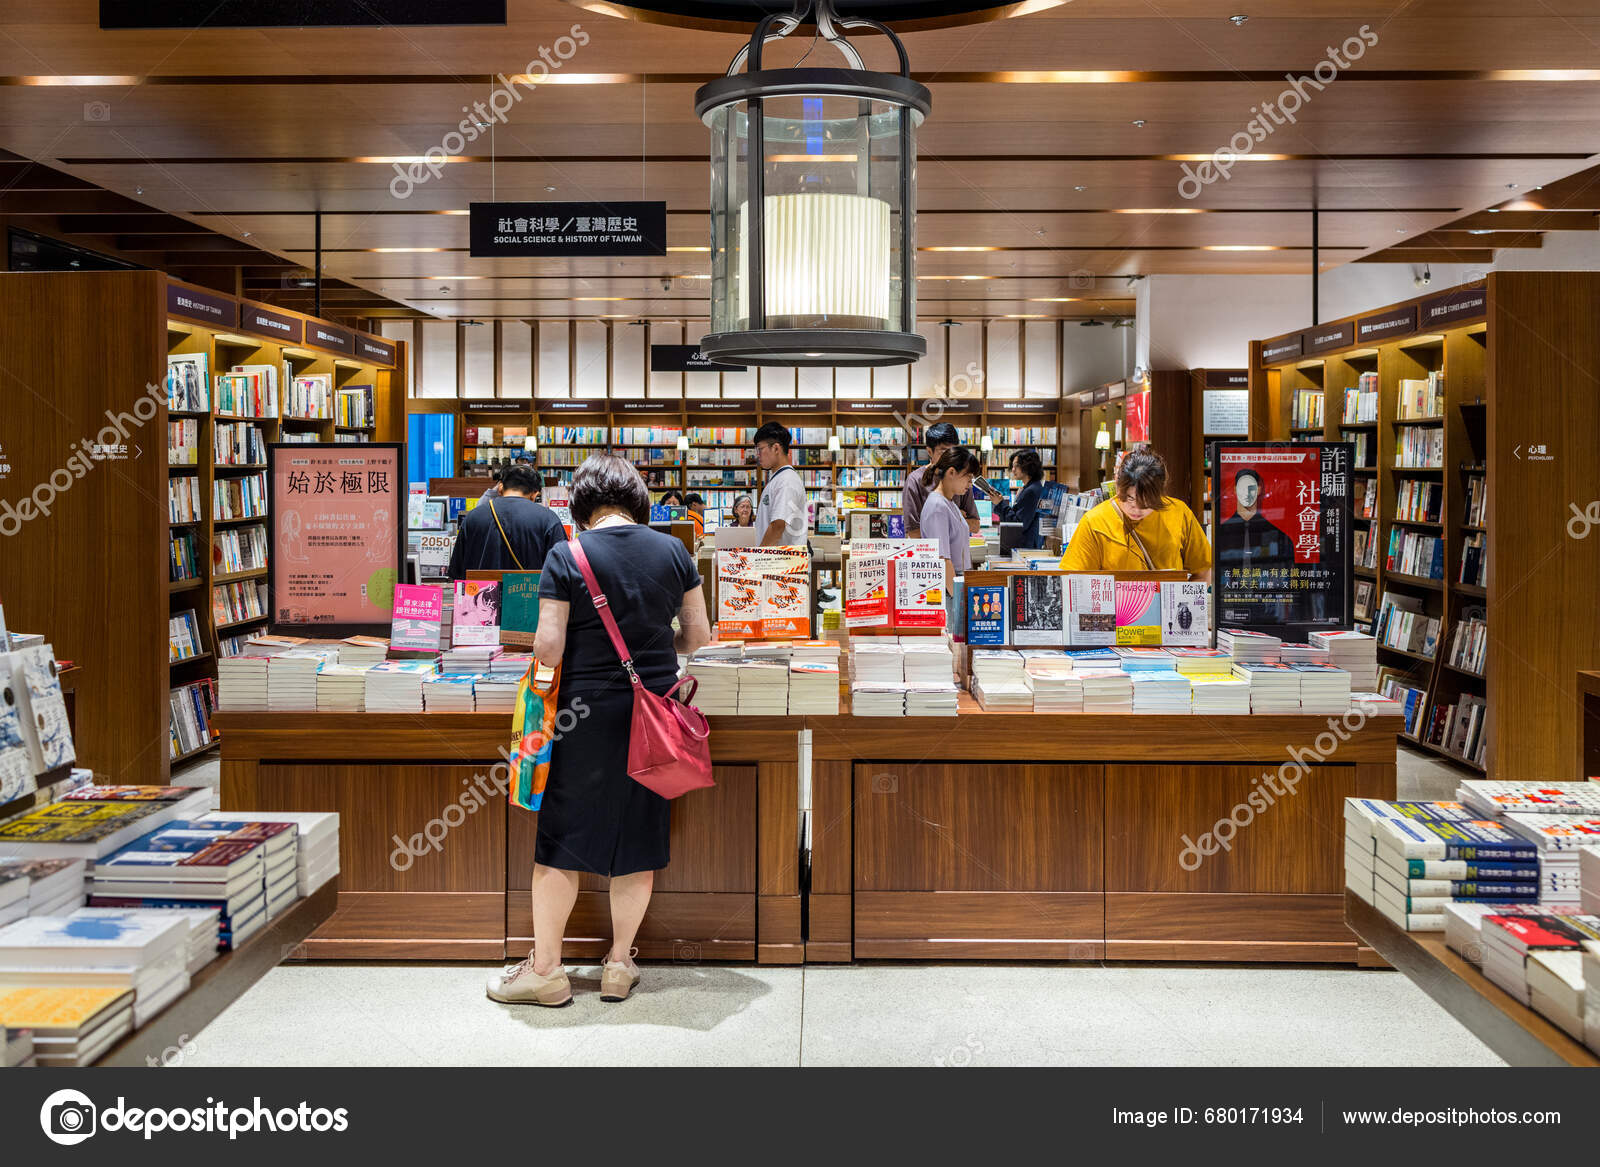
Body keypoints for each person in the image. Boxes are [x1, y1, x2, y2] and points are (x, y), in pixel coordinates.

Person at [488, 453, 712, 1008]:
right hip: (656, 720)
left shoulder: (567, 554)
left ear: (582, 506)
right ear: (637, 501)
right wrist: (660, 655)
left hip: (581, 718)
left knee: (561, 845)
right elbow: (699, 634)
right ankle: (618, 966)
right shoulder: (675, 550)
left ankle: (547, 973)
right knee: (638, 842)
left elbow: (548, 646)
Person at [1059, 449, 1212, 576]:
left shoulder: (1179, 513)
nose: (1136, 509)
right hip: (1118, 612)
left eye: (1147, 503)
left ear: (1161, 492)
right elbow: (1072, 580)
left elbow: (1203, 571)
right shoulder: (1094, 522)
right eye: (1129, 498)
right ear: (1117, 484)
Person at [448, 462, 565, 580]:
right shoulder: (549, 519)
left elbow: (456, 571)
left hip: (479, 595)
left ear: (500, 488)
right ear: (535, 494)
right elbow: (561, 571)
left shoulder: (473, 517)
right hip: (528, 596)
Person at [902, 421, 981, 538]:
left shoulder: (960, 477)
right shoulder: (914, 480)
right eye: (944, 452)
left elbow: (975, 525)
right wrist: (957, 516)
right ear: (929, 451)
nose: (950, 457)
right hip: (928, 552)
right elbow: (913, 533)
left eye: (953, 451)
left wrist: (934, 522)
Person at [1215, 467, 1294, 573]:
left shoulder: (1272, 527)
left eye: (1251, 488)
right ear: (1234, 490)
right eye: (1242, 488)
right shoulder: (1224, 529)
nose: (1246, 494)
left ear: (1259, 490)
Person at [919, 446, 982, 573]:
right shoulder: (938, 506)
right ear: (951, 472)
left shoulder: (949, 502)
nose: (970, 484)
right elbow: (943, 560)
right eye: (968, 477)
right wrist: (956, 593)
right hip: (949, 585)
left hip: (959, 578)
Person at [752, 421, 807, 547]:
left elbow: (778, 525)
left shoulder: (786, 480)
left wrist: (758, 558)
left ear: (776, 448)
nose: (758, 455)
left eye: (760, 449)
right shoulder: (779, 478)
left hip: (782, 563)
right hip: (777, 562)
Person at [979, 448, 1046, 550]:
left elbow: (1017, 524)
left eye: (1017, 466)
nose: (1013, 470)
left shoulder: (1031, 491)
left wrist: (1000, 503)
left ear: (1028, 466)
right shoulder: (1030, 488)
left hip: (1025, 548)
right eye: (1013, 466)